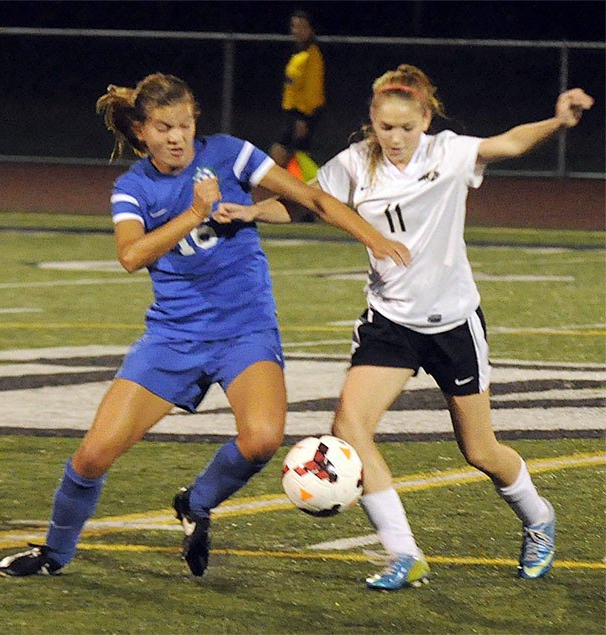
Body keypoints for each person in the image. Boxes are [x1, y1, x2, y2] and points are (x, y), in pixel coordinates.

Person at [0, 72, 410, 579]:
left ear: (197, 123)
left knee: (261, 438)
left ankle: (196, 502)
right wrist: (194, 213)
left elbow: (315, 199)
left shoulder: (232, 154)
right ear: (142, 132)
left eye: (185, 125)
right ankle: (55, 553)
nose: (177, 137)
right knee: (92, 456)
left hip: (246, 330)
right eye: (164, 128)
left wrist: (374, 238)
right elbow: (130, 255)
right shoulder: (133, 188)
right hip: (173, 337)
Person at [215, 64, 594, 590]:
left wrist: (557, 122)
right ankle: (403, 552)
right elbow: (305, 206)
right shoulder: (354, 163)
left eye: (406, 128)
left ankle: (538, 518)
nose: (395, 139)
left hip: (454, 323)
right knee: (349, 427)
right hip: (391, 322)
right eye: (385, 127)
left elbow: (507, 144)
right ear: (372, 120)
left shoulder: (449, 153)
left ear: (426, 120)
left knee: (481, 451)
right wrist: (249, 211)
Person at [269, 9, 325, 173]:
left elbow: (312, 90)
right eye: (294, 26)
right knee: (296, 155)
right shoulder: (299, 53)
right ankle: (296, 187)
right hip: (293, 112)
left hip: (303, 114)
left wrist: (303, 118)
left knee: (287, 153)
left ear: (311, 30)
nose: (297, 31)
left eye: (302, 27)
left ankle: (294, 188)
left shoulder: (312, 56)